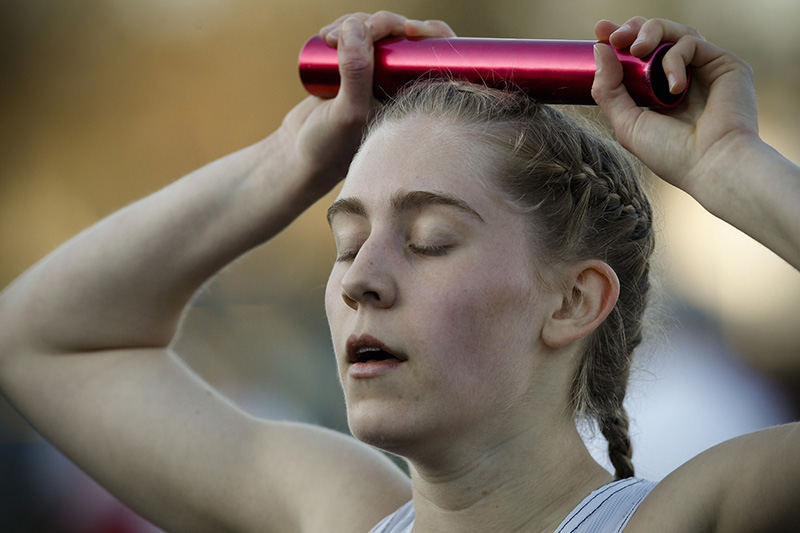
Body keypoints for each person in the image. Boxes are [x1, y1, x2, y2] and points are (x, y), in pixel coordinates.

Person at [0, 9, 798, 532]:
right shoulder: (332, 511)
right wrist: (285, 161)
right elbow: (42, 338)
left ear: (573, 299)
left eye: (428, 240)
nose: (360, 280)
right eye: (346, 242)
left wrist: (731, 164)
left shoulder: (699, 514)